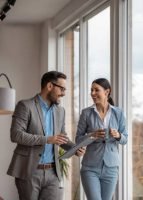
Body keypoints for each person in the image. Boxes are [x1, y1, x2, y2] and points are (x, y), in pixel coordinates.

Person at [7, 71, 86, 200]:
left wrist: (75, 148)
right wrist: (47, 140)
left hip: (53, 172)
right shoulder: (25, 106)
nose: (64, 93)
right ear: (50, 86)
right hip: (29, 171)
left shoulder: (60, 111)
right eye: (62, 89)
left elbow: (62, 137)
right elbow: (16, 135)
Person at [76, 78, 128, 200]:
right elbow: (78, 139)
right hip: (90, 168)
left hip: (111, 168)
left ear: (106, 92)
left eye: (96, 90)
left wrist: (118, 135)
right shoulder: (86, 113)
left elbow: (125, 139)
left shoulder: (118, 113)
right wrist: (91, 135)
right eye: (91, 90)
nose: (92, 93)